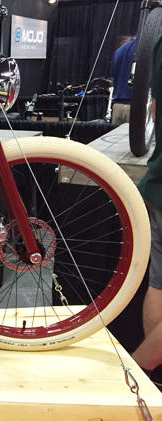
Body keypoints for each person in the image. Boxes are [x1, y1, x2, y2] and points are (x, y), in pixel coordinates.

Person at [132, 32, 162, 384]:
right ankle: (138, 373)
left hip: (158, 181)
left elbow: (154, 107)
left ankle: (149, 379)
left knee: (158, 284)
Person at [110, 35, 136, 124]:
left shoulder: (118, 51)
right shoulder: (146, 48)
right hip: (136, 107)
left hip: (117, 106)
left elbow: (112, 80)